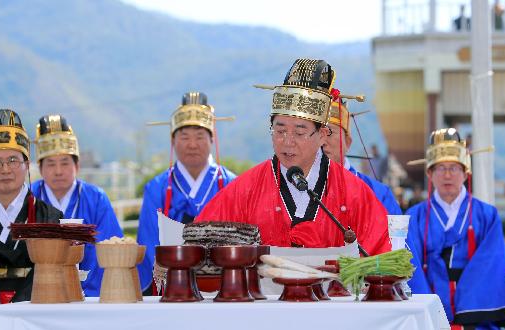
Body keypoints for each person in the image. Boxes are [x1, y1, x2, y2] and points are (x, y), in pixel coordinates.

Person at [195, 58, 391, 255]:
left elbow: (380, 259)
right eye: (279, 131)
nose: (287, 142)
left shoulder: (354, 193)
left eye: (299, 132)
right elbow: (202, 245)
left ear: (322, 135)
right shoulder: (244, 190)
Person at [0, 110, 62, 330]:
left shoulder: (52, 219)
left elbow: (55, 270)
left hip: (35, 321)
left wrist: (14, 318)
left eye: (13, 160)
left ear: (27, 164)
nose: (5, 169)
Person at [405, 128, 505, 328]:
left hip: (476, 319)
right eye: (440, 168)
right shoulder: (414, 217)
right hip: (427, 314)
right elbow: (411, 267)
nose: (447, 175)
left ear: (465, 173)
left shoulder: (487, 215)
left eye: (454, 168)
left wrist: (466, 314)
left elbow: (490, 265)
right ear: (430, 173)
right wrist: (429, 309)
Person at [137, 92, 237, 291]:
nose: (192, 144)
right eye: (184, 136)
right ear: (173, 141)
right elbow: (148, 242)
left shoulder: (232, 184)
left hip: (222, 286)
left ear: (212, 139)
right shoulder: (156, 188)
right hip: (172, 286)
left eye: (200, 136)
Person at [31, 114, 123, 297]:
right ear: (40, 168)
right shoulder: (29, 198)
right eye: (50, 164)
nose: (58, 171)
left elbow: (109, 250)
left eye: (65, 163)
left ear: (77, 166)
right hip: (41, 292)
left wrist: (92, 295)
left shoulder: (96, 198)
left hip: (92, 295)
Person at [322, 100, 402, 215]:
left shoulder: (379, 193)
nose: (322, 141)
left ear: (348, 142)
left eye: (329, 132)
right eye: (316, 132)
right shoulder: (296, 188)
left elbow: (395, 232)